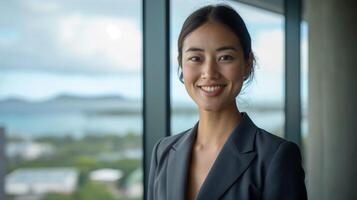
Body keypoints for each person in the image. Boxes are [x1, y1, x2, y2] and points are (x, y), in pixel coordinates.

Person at [147, 4, 307, 200]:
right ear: (181, 65)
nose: (209, 73)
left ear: (247, 64)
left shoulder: (276, 157)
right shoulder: (163, 152)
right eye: (196, 58)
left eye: (225, 57)